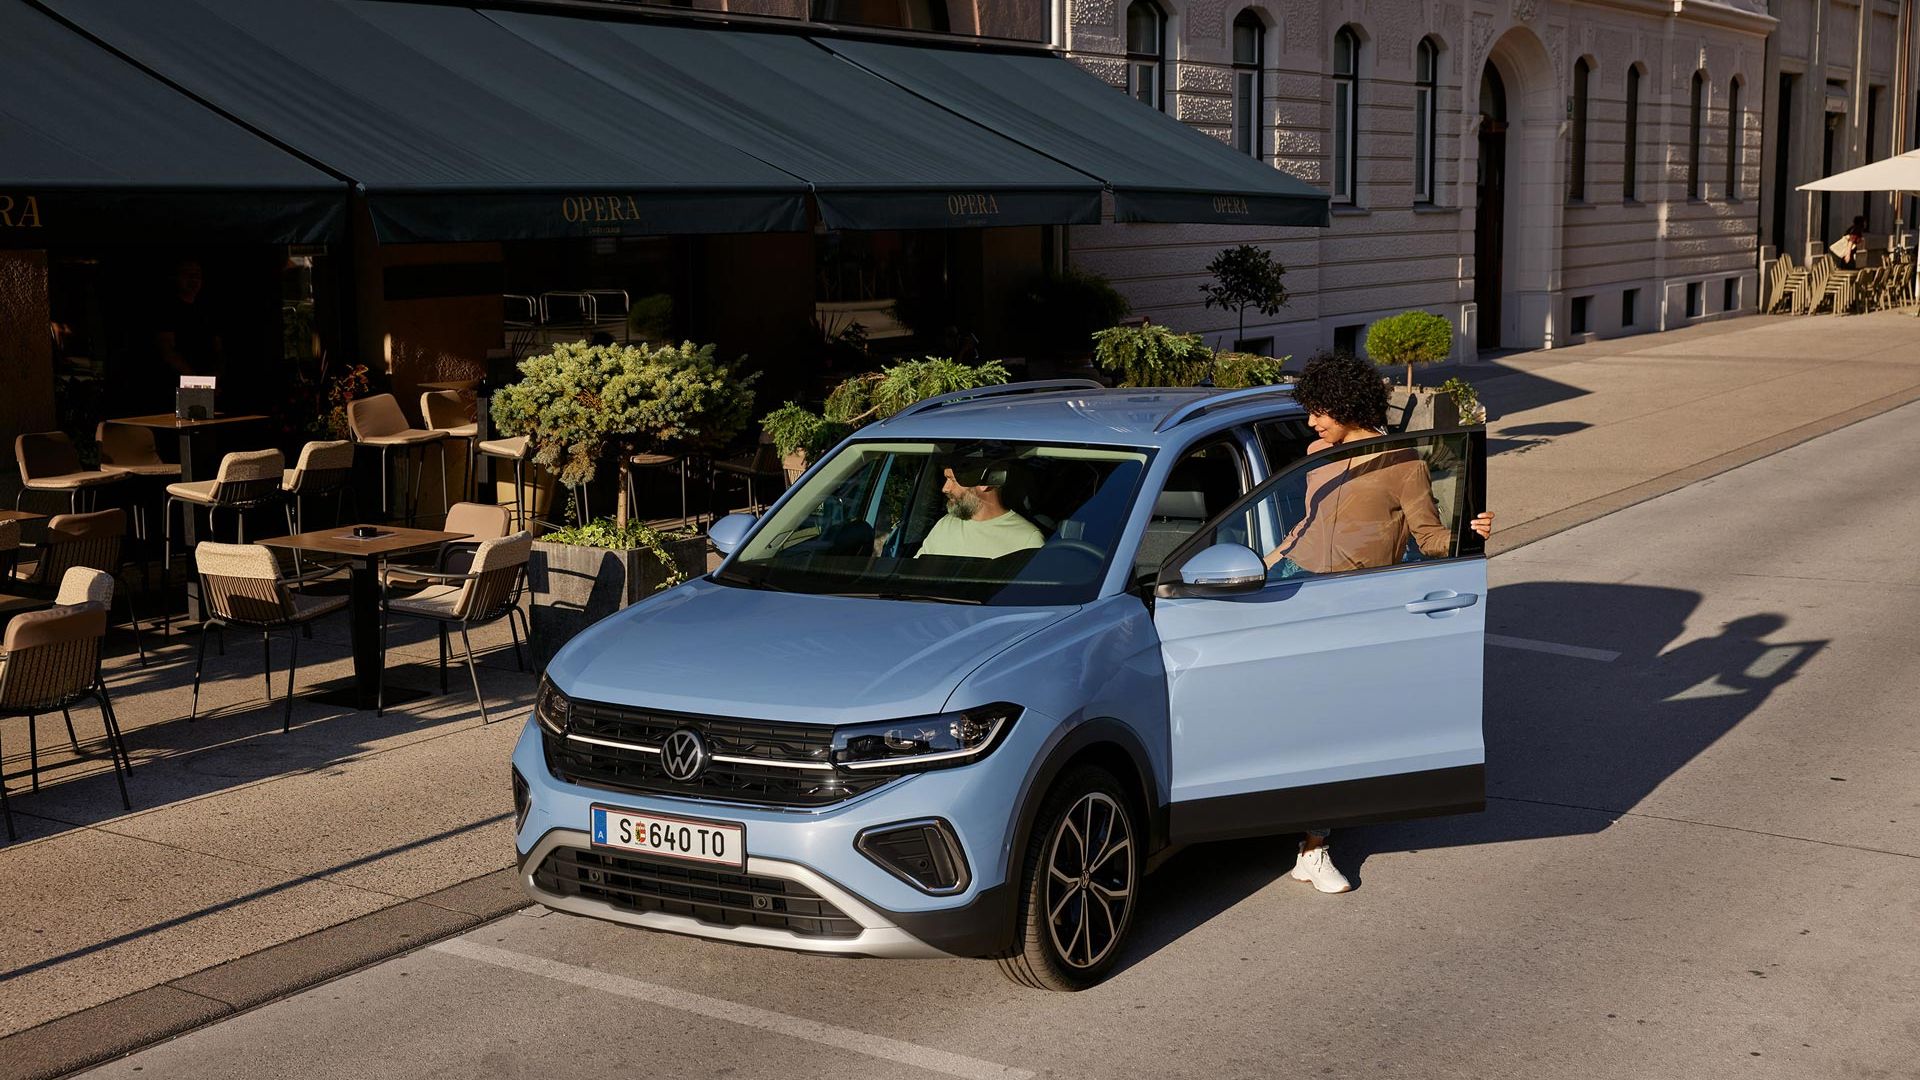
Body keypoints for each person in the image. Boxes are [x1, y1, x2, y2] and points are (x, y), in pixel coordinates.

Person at [1265, 352, 1494, 893]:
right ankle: (1291, 828)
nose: (1311, 422)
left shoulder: (1402, 464)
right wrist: (1270, 562)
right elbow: (1309, 521)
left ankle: (1315, 846)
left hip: (1355, 603)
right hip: (1296, 589)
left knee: (1333, 724)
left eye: (1319, 410)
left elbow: (1428, 536)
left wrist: (1471, 533)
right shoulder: (1317, 454)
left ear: (1347, 404)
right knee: (1292, 717)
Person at [916, 456, 1044, 560]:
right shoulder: (945, 525)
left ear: (984, 483)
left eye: (952, 480)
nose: (945, 488)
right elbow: (917, 573)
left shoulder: (1027, 540)